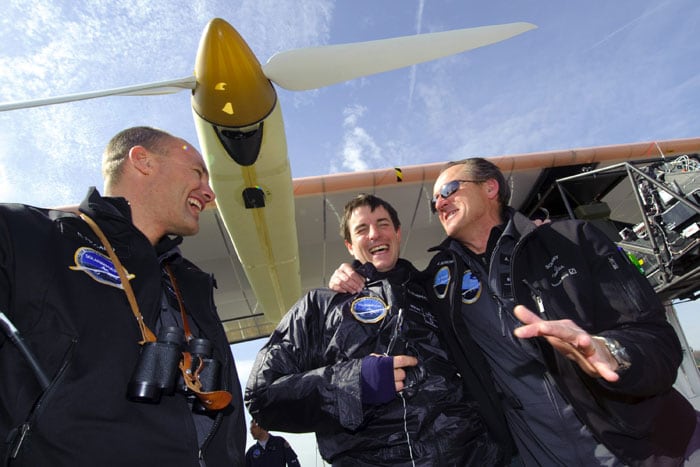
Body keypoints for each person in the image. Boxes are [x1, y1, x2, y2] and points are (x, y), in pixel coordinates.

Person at [330, 157, 700, 466]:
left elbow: (656, 337)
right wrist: (353, 272)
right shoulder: (438, 286)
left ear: (490, 187)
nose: (439, 203)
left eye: (448, 190)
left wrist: (611, 352)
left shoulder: (571, 240)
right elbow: (395, 283)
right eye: (434, 202)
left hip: (650, 447)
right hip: (540, 456)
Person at [0, 126, 246, 466]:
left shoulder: (191, 282)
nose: (209, 193)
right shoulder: (25, 235)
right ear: (142, 161)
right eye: (197, 173)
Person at [245, 194, 509, 466]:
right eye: (361, 229)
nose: (374, 234)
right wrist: (354, 383)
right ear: (349, 245)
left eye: (383, 224)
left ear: (397, 232)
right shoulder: (319, 307)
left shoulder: (439, 293)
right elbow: (261, 396)